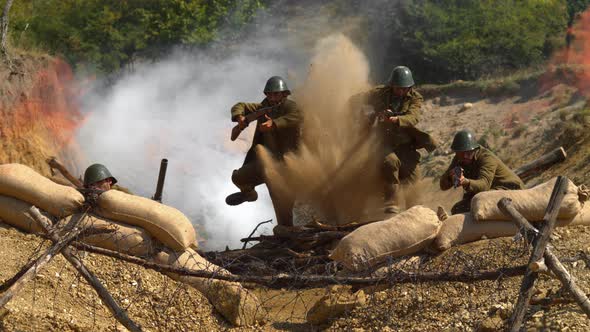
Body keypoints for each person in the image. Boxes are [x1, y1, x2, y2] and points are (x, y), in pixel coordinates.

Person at [349, 66, 436, 214]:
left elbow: (413, 117)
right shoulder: (379, 93)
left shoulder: (415, 97)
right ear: (391, 86)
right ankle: (392, 201)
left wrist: (396, 119)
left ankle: (415, 214)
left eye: (405, 88)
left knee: (412, 180)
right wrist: (368, 117)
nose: (401, 91)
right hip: (382, 142)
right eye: (398, 88)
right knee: (389, 161)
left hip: (405, 144)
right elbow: (353, 101)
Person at [225, 76, 303, 227]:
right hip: (263, 163)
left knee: (283, 212)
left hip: (285, 167)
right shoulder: (263, 107)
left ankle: (287, 236)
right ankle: (249, 195)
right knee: (239, 178)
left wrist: (274, 124)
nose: (272, 97)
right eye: (269, 94)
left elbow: (297, 116)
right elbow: (240, 106)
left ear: (284, 94)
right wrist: (240, 117)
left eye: (276, 94)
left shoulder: (291, 108)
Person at [440, 129, 525, 214]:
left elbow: (484, 185)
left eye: (469, 152)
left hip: (510, 189)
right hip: (489, 192)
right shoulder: (458, 159)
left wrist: (465, 182)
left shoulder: (487, 158)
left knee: (479, 202)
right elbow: (443, 185)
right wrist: (450, 177)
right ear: (456, 153)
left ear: (475, 149)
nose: (465, 156)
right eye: (462, 153)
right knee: (458, 209)